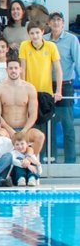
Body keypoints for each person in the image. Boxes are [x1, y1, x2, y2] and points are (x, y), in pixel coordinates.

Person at [44, 12, 79, 163]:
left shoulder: (71, 39)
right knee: (48, 126)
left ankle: (70, 162)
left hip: (65, 86)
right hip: (46, 86)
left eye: (59, 20)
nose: (56, 23)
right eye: (53, 20)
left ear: (63, 23)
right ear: (49, 23)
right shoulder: (43, 39)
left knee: (68, 126)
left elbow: (78, 62)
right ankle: (50, 160)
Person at [0, 58, 45, 155]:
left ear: (20, 69)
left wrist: (24, 131)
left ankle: (31, 160)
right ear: (6, 70)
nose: (13, 71)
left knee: (40, 136)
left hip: (25, 129)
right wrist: (10, 130)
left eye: (16, 68)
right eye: (10, 68)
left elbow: (33, 114)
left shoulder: (29, 88)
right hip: (6, 129)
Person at [19, 21, 63, 100]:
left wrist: (58, 91)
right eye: (32, 33)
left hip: (46, 92)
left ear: (42, 32)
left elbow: (58, 70)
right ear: (28, 34)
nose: (35, 36)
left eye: (37, 32)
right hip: (29, 91)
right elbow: (23, 69)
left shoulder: (51, 46)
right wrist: (22, 89)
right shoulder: (24, 45)